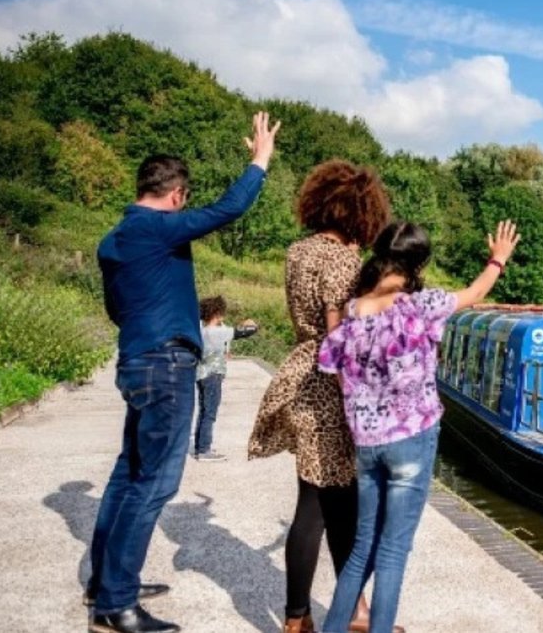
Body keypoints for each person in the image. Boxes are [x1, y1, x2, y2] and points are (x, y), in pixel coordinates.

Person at [88, 112, 280, 633]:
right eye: (185, 201)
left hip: (135, 361)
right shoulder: (159, 226)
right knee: (155, 483)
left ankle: (105, 583)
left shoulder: (115, 239)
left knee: (127, 474)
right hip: (167, 366)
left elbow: (115, 309)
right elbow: (230, 208)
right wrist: (259, 159)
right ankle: (116, 605)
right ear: (176, 195)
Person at [316, 219, 520, 633]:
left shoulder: (353, 311)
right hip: (412, 438)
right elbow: (477, 292)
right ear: (419, 262)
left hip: (368, 443)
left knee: (361, 550)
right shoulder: (420, 305)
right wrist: (497, 259)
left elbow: (335, 371)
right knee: (392, 551)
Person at [246, 161, 393, 633]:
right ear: (362, 211)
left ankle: (341, 613)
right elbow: (338, 339)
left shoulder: (298, 252)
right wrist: (359, 404)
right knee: (322, 507)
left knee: (328, 504)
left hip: (303, 377)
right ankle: (312, 616)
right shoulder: (343, 261)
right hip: (332, 387)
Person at [194, 295, 258, 462]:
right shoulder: (219, 332)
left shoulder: (201, 330)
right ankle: (204, 450)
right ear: (217, 313)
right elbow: (247, 331)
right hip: (213, 375)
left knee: (203, 411)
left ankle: (200, 446)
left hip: (201, 374)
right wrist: (251, 324)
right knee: (210, 413)